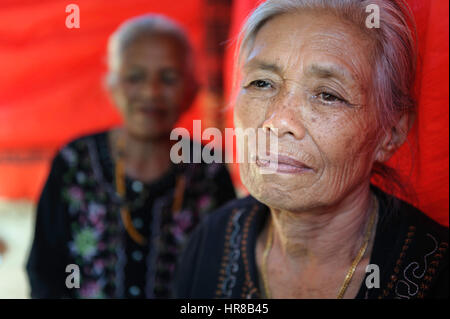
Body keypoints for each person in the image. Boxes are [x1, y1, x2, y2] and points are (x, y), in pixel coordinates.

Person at [174, 0, 448, 299]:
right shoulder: (213, 239)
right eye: (262, 82)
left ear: (390, 133)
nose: (278, 121)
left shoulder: (435, 272)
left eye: (328, 95)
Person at [26, 14, 236, 298]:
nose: (151, 92)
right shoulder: (75, 161)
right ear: (112, 86)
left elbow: (227, 273)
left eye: (169, 78)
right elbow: (44, 270)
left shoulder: (209, 169)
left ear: (191, 90)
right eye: (135, 77)